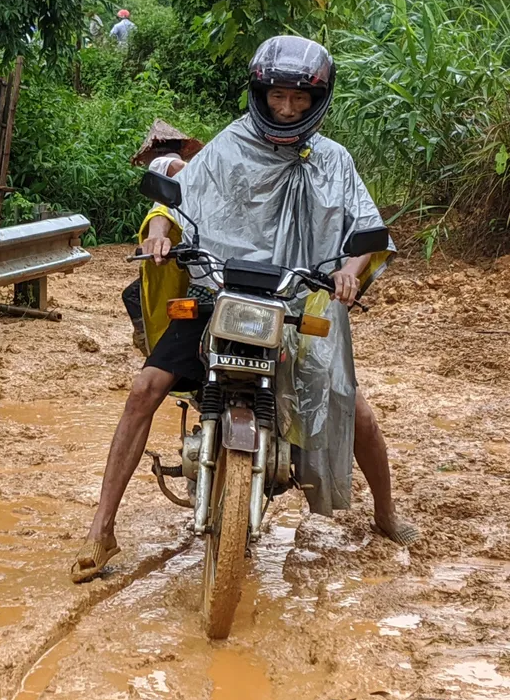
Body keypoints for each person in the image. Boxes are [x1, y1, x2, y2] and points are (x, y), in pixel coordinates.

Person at [71, 35, 419, 584]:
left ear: (317, 99)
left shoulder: (334, 161)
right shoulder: (228, 147)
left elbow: (366, 232)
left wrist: (350, 270)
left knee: (356, 412)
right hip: (218, 297)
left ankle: (386, 512)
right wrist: (161, 233)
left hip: (297, 301)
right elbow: (173, 204)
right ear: (260, 92)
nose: (286, 108)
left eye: (299, 100)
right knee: (143, 391)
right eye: (278, 96)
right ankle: (101, 530)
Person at [123, 120, 205, 355]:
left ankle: (151, 345)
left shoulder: (161, 162)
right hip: (192, 255)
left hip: (173, 256)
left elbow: (178, 168)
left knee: (133, 296)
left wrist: (200, 178)